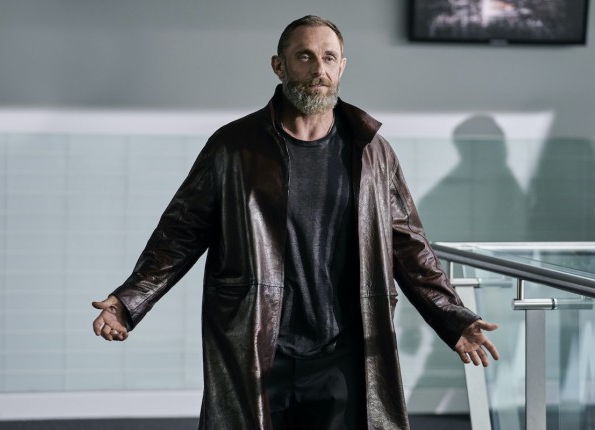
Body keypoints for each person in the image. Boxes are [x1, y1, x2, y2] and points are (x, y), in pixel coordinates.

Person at [92, 15, 499, 430]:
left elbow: (409, 246)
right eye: (305, 56)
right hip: (257, 343)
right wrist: (130, 300)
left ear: (342, 67)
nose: (318, 69)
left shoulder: (372, 152)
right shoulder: (233, 147)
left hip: (343, 351)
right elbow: (180, 233)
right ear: (279, 65)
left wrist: (452, 317)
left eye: (329, 58)